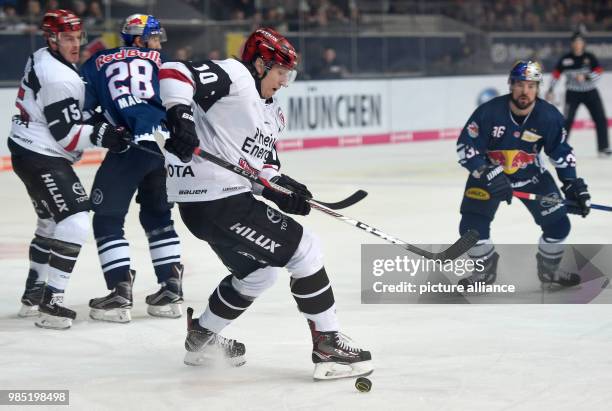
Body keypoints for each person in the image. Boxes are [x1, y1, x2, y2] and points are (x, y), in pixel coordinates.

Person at [157, 27, 372, 380]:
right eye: (280, 72)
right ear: (259, 63)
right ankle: (328, 344)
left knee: (259, 273)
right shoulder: (236, 76)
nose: (285, 81)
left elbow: (263, 168)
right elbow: (174, 72)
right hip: (216, 199)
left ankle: (202, 336)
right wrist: (180, 115)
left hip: (213, 204)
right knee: (305, 249)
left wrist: (282, 188)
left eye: (289, 74)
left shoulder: (273, 114)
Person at [9, 9, 130, 329]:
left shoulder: (42, 56)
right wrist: (104, 134)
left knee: (50, 222)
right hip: (41, 156)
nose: (76, 44)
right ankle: (52, 303)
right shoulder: (58, 76)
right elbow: (67, 134)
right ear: (52, 39)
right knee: (75, 220)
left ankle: (33, 295)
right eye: (67, 38)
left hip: (25, 149)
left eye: (78, 37)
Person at [80, 14, 184, 323]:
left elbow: (83, 109)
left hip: (129, 148)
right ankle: (170, 290)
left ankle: (120, 292)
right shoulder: (163, 63)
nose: (158, 43)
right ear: (140, 39)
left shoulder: (98, 61)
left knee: (107, 219)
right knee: (158, 216)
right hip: (163, 149)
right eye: (154, 38)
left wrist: (102, 123)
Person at [456, 60, 591, 289]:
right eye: (519, 84)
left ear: (538, 88)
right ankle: (485, 272)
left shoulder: (549, 117)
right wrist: (489, 172)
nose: (524, 91)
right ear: (510, 85)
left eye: (531, 86)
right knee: (470, 227)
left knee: (559, 226)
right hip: (489, 178)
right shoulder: (488, 112)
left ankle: (549, 271)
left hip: (532, 178)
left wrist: (571, 183)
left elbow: (560, 151)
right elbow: (466, 148)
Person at [546, 32, 611, 158]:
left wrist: (586, 76)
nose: (578, 45)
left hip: (590, 92)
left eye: (580, 42)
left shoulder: (590, 57)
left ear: (583, 44)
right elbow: (556, 75)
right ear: (572, 44)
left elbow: (599, 73)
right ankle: (559, 148)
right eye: (575, 42)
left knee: (600, 119)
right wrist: (550, 89)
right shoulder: (566, 59)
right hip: (572, 94)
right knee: (566, 121)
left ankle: (603, 148)